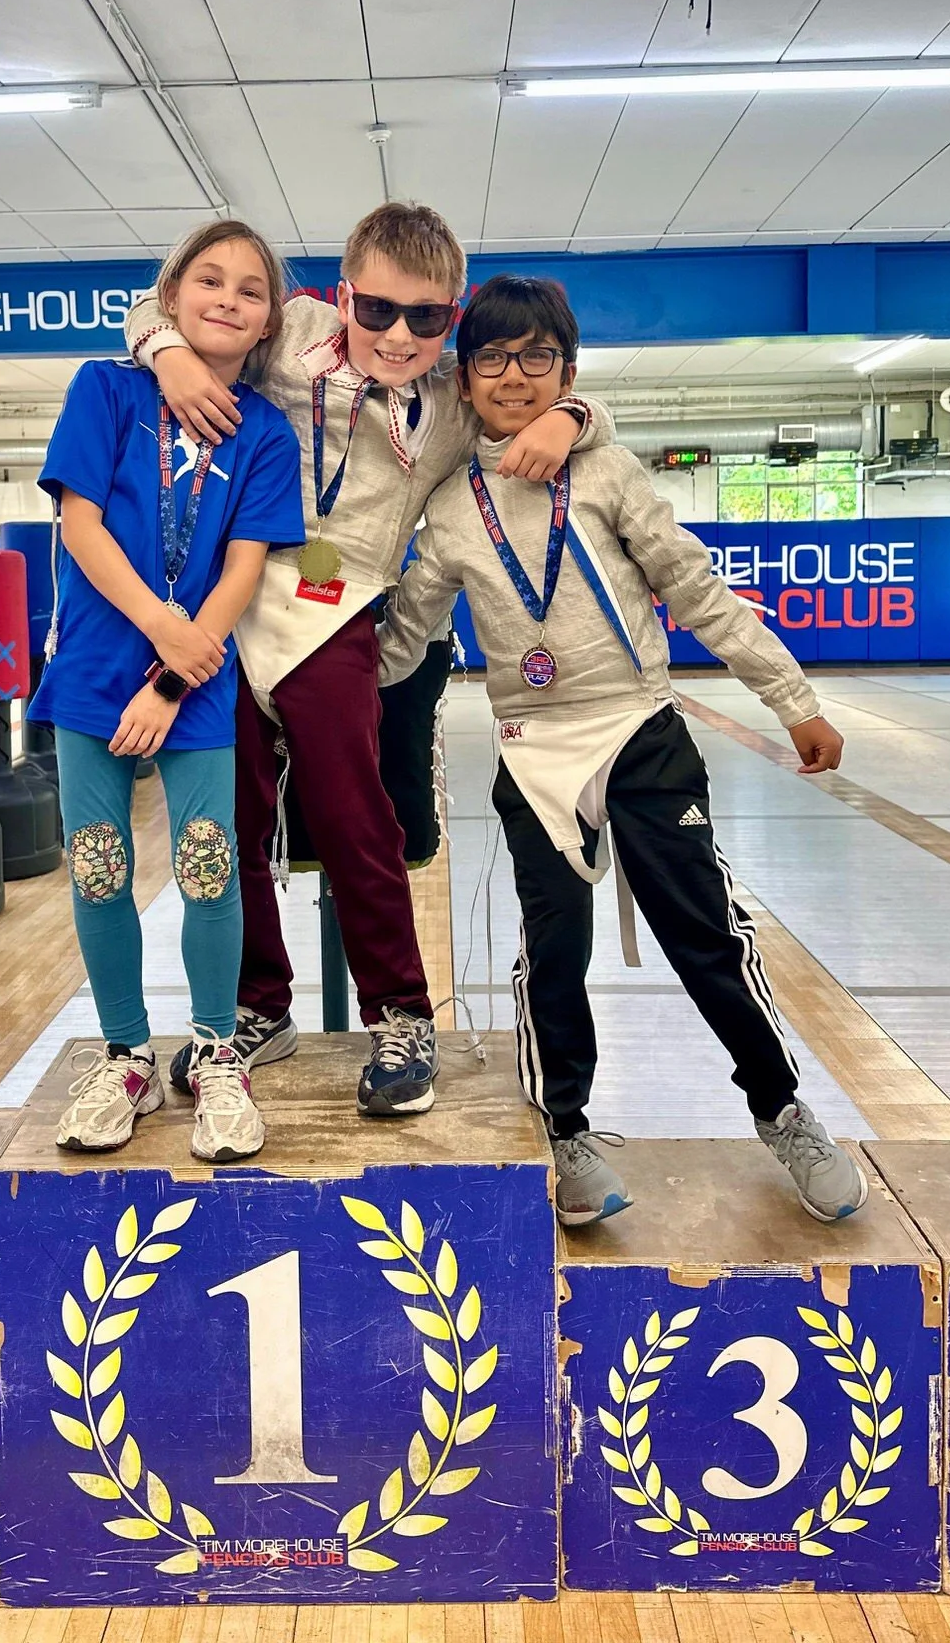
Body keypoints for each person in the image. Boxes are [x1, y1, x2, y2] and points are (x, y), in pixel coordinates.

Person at [377, 274, 867, 1227]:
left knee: (708, 936)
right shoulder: (447, 506)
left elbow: (694, 585)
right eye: (492, 357)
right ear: (464, 375)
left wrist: (789, 698)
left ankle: (783, 1111)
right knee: (552, 953)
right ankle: (567, 1134)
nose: (514, 376)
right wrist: (303, 682)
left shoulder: (603, 470)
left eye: (537, 359)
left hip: (640, 728)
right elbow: (409, 636)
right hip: (531, 748)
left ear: (567, 371)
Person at [124, 203, 611, 1117]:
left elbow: (551, 405)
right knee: (219, 828)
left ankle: (402, 1013)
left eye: (427, 319)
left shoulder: (461, 403)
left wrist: (573, 416)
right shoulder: (292, 330)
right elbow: (155, 308)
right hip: (222, 595)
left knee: (358, 821)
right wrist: (172, 355)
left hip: (336, 606)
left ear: (452, 316)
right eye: (378, 310)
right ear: (342, 294)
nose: (397, 335)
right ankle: (256, 1005)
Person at [29, 221, 305, 1163]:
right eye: (209, 280)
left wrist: (182, 665)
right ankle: (125, 1057)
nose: (228, 298)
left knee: (209, 866)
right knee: (99, 865)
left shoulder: (265, 433)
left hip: (197, 681)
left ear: (269, 321)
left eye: (250, 290)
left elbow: (244, 568)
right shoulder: (105, 389)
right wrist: (160, 633)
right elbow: (82, 526)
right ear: (172, 295)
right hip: (96, 678)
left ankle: (218, 1054)